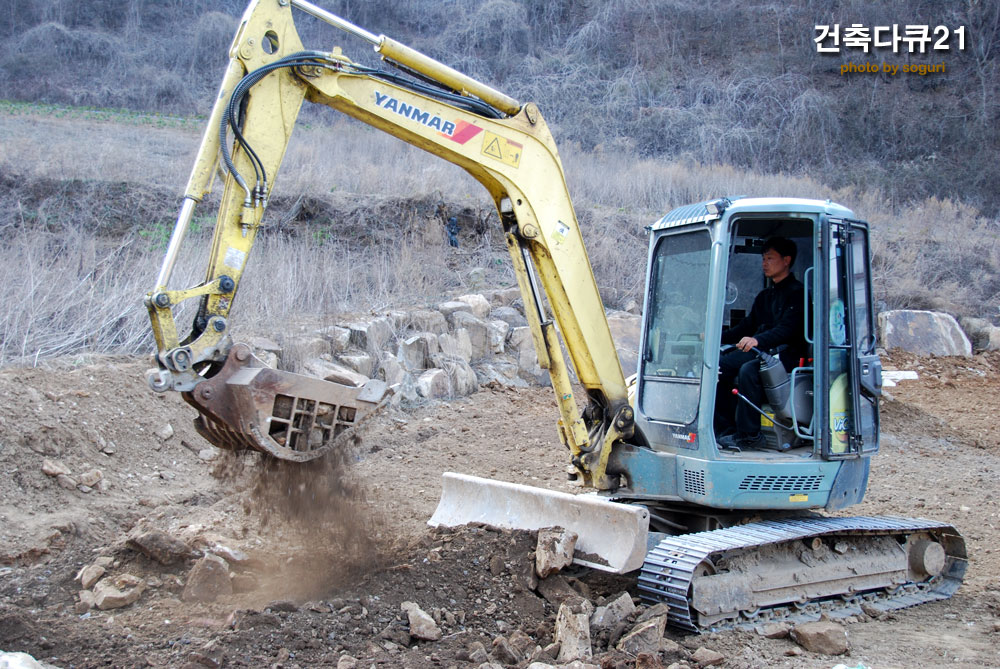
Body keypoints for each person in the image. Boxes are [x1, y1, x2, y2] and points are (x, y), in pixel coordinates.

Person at [716, 237, 806, 450]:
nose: (764, 263)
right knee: (719, 364)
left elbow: (787, 330)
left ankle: (749, 436)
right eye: (763, 258)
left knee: (748, 370)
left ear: (786, 260)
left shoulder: (797, 293)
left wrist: (758, 340)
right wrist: (715, 337)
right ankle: (722, 430)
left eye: (770, 258)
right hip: (763, 350)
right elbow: (747, 326)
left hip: (785, 355)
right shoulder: (766, 295)